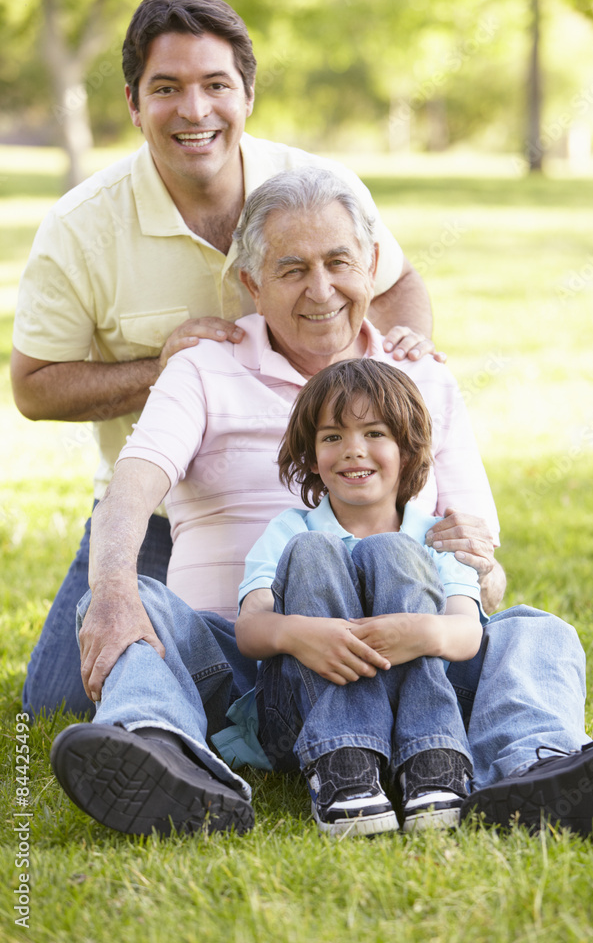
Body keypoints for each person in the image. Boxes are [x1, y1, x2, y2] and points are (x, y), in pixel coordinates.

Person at [50, 167, 593, 840]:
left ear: (372, 266)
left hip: (415, 665)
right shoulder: (203, 367)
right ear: (252, 285)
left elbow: (482, 570)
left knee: (536, 631)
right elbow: (132, 484)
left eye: (338, 262)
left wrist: (475, 574)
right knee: (140, 603)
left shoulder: (422, 377)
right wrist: (111, 588)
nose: (320, 290)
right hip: (252, 669)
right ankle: (164, 755)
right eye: (291, 269)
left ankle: (537, 767)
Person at [12, 0, 438, 718]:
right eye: (166, 88)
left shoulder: (314, 191)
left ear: (246, 94)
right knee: (59, 698)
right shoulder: (81, 228)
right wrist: (160, 369)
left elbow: (395, 282)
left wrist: (397, 363)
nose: (195, 110)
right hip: (164, 506)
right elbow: (34, 388)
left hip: (334, 490)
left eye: (215, 85)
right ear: (132, 102)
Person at [235, 357, 485, 837]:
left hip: (416, 714)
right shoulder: (290, 530)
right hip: (302, 723)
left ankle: (433, 764)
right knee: (312, 550)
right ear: (311, 457)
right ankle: (343, 770)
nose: (353, 450)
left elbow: (467, 630)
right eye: (332, 437)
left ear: (408, 452)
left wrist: (422, 631)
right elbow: (249, 628)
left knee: (393, 550)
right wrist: (298, 632)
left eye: (374, 433)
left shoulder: (437, 536)